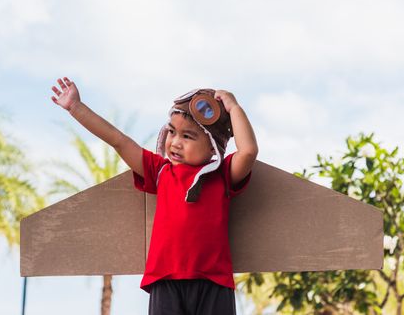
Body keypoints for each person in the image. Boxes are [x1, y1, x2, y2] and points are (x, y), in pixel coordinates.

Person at [51, 77, 258, 315]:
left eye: (187, 136)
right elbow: (118, 141)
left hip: (214, 282)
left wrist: (233, 108)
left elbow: (249, 151)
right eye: (172, 132)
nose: (176, 143)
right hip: (165, 280)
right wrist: (76, 107)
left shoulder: (222, 175)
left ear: (213, 145)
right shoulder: (159, 170)